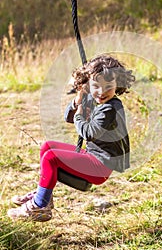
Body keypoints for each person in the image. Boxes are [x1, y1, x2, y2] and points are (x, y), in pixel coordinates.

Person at [8, 54, 135, 222]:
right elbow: (68, 117)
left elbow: (89, 132)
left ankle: (39, 206)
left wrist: (80, 115)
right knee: (48, 146)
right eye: (96, 86)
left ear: (117, 84)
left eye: (108, 86)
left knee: (52, 157)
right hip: (93, 156)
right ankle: (43, 196)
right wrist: (78, 101)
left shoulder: (111, 108)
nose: (101, 91)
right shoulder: (95, 100)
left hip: (101, 166)